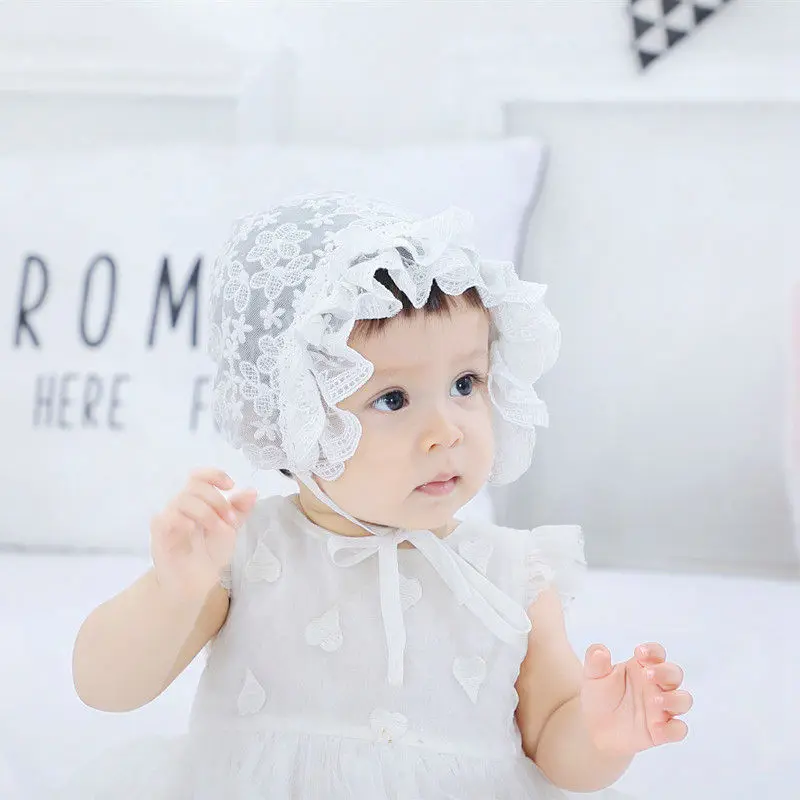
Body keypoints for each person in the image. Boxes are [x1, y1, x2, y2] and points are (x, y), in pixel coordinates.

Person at [67, 191, 691, 798]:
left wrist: (602, 735)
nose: (447, 430)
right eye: (392, 399)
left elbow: (553, 737)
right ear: (293, 415)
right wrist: (173, 590)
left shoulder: (511, 576)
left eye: (465, 383)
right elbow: (106, 688)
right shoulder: (249, 552)